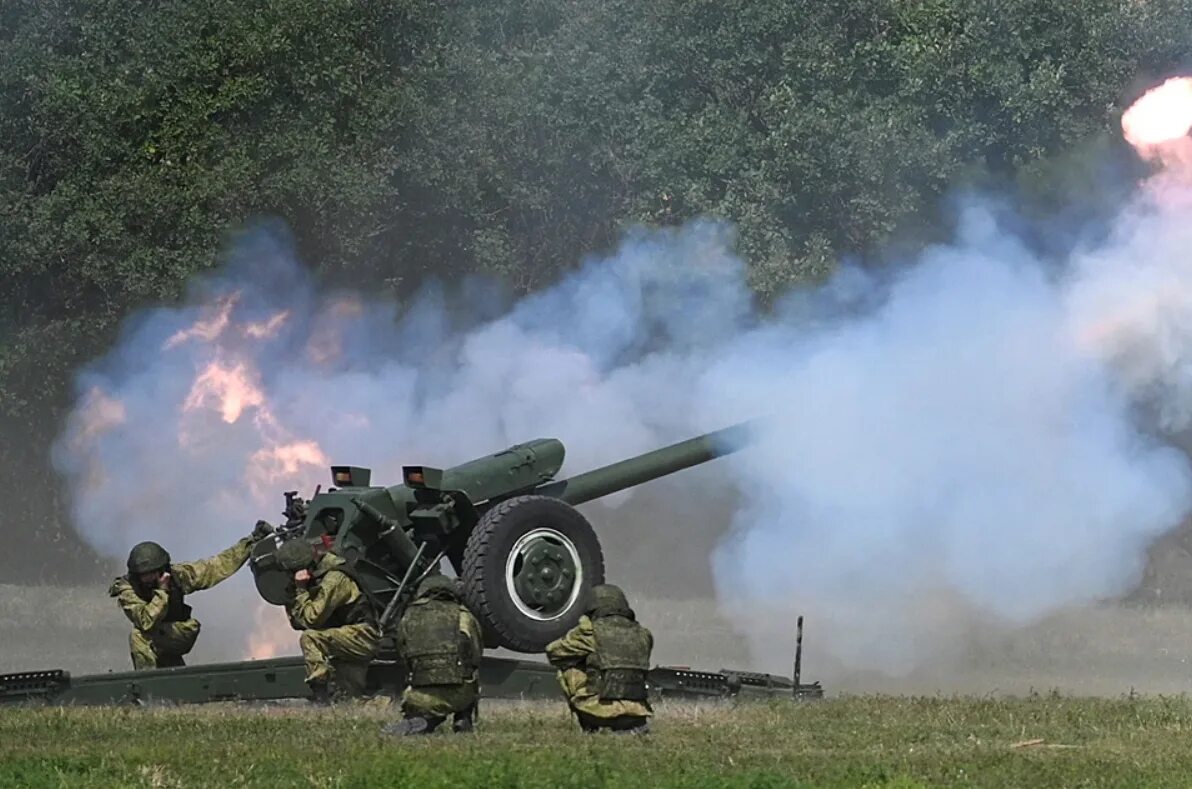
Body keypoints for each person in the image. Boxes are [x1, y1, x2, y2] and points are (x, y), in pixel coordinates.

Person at [109, 521, 271, 670]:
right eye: (143, 575)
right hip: (157, 635)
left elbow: (215, 567)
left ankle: (148, 687)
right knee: (141, 636)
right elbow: (146, 622)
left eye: (152, 573)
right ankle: (155, 690)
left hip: (180, 633)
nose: (147, 579)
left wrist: (250, 542)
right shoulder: (127, 589)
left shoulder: (177, 575)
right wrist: (162, 591)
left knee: (140, 637)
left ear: (162, 569)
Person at [274, 538, 380, 704]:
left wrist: (301, 590)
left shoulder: (334, 577)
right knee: (349, 701)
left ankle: (320, 696)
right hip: (346, 638)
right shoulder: (318, 576)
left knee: (310, 638)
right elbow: (298, 623)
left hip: (363, 636)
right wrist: (292, 596)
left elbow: (311, 619)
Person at [545, 583, 654, 734]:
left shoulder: (590, 631)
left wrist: (579, 631)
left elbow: (554, 652)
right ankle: (633, 726)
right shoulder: (644, 634)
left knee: (568, 670)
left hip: (600, 711)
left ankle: (590, 727)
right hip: (638, 711)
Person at [381, 575, 482, 737]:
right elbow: (476, 656)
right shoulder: (464, 616)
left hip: (418, 696)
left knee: (423, 706)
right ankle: (463, 718)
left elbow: (403, 653)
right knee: (471, 672)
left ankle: (423, 720)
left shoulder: (409, 615)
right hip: (459, 696)